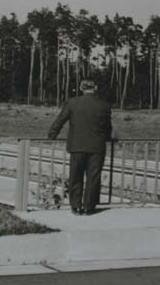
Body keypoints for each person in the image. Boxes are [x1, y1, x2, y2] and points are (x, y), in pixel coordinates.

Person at [47, 79, 112, 215]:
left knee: (75, 176)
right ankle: (89, 207)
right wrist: (107, 138)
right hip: (97, 147)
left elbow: (60, 120)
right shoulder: (103, 105)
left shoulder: (73, 103)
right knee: (93, 178)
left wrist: (52, 134)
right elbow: (107, 128)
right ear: (95, 87)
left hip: (77, 146)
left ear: (81, 88)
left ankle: (76, 206)